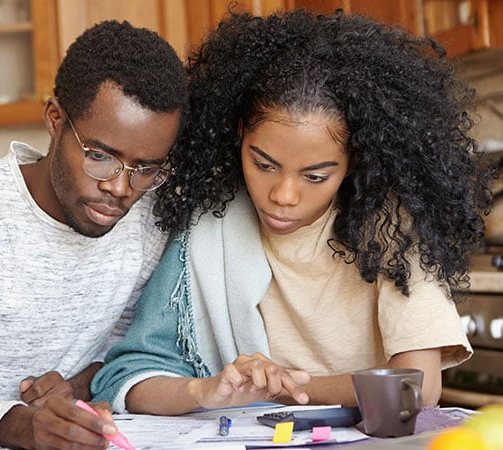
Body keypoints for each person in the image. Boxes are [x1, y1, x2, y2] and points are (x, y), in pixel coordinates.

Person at [91, 9, 491, 415]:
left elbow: (416, 387)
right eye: (263, 165)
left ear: (354, 160)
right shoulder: (211, 226)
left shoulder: (392, 230)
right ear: (238, 134)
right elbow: (126, 376)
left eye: (315, 176)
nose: (282, 195)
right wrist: (206, 391)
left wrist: (281, 389)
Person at [0, 20, 188, 449]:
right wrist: (27, 426)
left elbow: (124, 353)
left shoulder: (147, 219)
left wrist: (77, 389)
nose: (121, 188)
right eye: (100, 156)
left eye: (146, 168)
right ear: (55, 120)